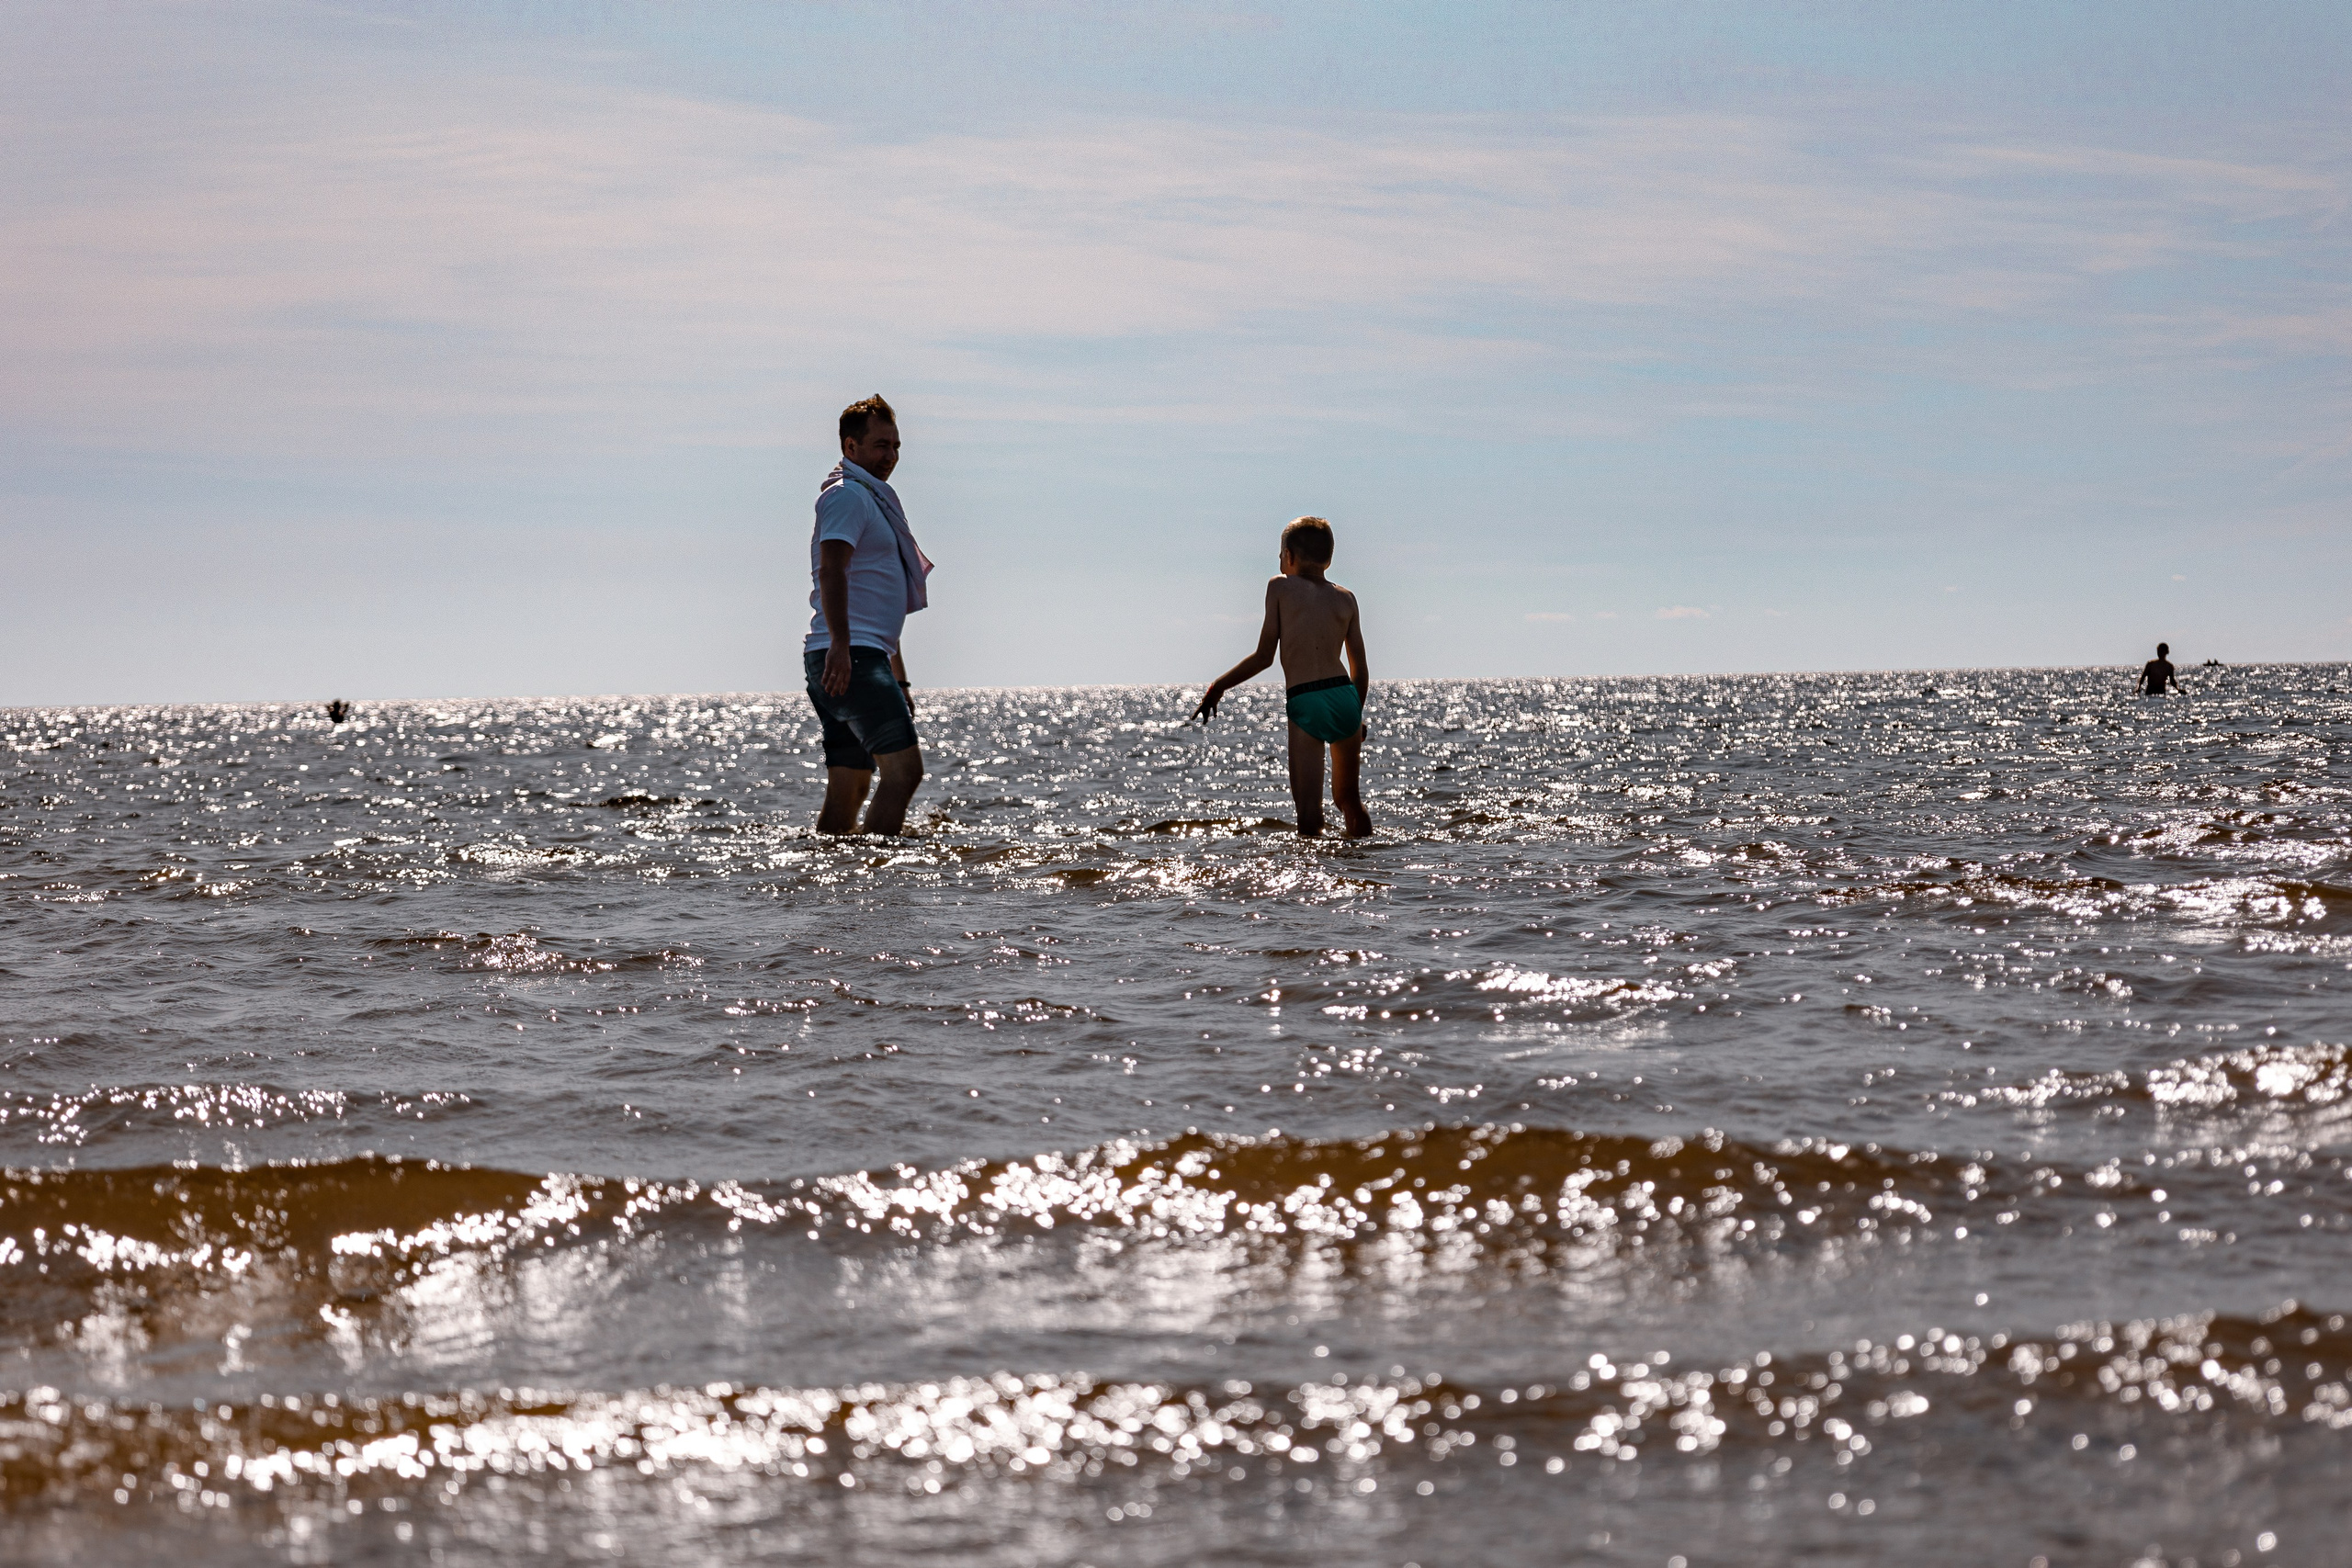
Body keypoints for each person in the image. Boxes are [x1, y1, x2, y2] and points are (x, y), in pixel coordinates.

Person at [1190, 516, 1374, 838]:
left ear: (1288, 556)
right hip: (1345, 696)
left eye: (1279, 555)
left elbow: (1264, 657)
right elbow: (1360, 668)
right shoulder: (1347, 598)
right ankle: (1364, 863)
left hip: (1307, 698)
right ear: (1329, 558)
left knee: (1308, 816)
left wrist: (1218, 686)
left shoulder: (1279, 587)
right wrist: (1355, 714)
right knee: (1349, 800)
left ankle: (1313, 882)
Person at [803, 395, 934, 834]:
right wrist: (841, 646)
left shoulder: (870, 500)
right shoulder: (848, 497)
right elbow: (832, 569)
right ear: (850, 447)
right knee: (904, 774)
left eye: (896, 446)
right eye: (880, 446)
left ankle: (835, 890)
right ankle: (879, 889)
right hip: (850, 657)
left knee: (851, 787)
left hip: (855, 654)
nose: (890, 457)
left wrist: (899, 679)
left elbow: (876, 603)